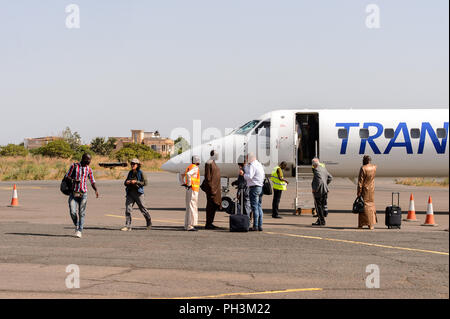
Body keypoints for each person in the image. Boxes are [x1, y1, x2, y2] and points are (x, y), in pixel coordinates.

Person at [65, 153, 99, 238]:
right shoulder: (74, 166)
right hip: (74, 193)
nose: (89, 161)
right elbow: (67, 176)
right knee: (72, 211)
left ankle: (79, 230)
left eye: (90, 159)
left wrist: (96, 190)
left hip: (83, 194)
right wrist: (73, 180)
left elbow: (92, 181)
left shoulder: (89, 169)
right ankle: (76, 224)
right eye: (88, 159)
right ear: (83, 159)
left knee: (81, 213)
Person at [121, 158, 152, 231]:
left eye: (134, 164)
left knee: (143, 209)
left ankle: (149, 221)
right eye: (131, 164)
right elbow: (125, 182)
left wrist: (136, 182)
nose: (132, 165)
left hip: (138, 193)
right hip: (130, 193)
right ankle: (128, 226)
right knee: (128, 209)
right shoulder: (130, 172)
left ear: (137, 165)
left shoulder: (141, 173)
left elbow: (145, 183)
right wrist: (127, 182)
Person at [243, 153, 265, 231]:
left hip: (254, 188)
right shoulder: (259, 164)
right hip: (260, 187)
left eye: (247, 158)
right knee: (259, 207)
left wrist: (243, 174)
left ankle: (255, 226)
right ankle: (260, 225)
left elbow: (250, 176)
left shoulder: (252, 165)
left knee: (254, 207)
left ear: (249, 158)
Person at [357, 155, 377, 230]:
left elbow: (360, 182)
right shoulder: (374, 167)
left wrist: (359, 192)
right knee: (371, 206)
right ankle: (371, 224)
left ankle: (361, 224)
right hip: (371, 189)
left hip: (365, 189)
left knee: (363, 206)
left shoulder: (363, 168)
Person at [203, 150, 222, 229]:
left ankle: (210, 222)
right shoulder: (209, 163)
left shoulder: (213, 162)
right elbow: (208, 177)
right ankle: (208, 223)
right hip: (212, 189)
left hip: (215, 189)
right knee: (210, 206)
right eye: (217, 154)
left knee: (214, 206)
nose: (218, 156)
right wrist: (211, 188)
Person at [311, 157, 333, 226]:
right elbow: (330, 177)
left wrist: (315, 189)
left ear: (314, 164)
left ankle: (321, 221)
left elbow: (319, 181)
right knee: (322, 206)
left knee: (318, 206)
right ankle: (319, 220)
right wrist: (326, 184)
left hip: (319, 191)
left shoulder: (316, 170)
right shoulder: (323, 168)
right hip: (325, 190)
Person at [182, 156, 201, 231]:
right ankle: (190, 226)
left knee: (188, 207)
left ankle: (186, 225)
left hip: (189, 189)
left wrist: (183, 183)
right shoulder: (195, 168)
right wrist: (189, 184)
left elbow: (181, 174)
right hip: (193, 189)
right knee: (192, 206)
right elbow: (189, 174)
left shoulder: (189, 167)